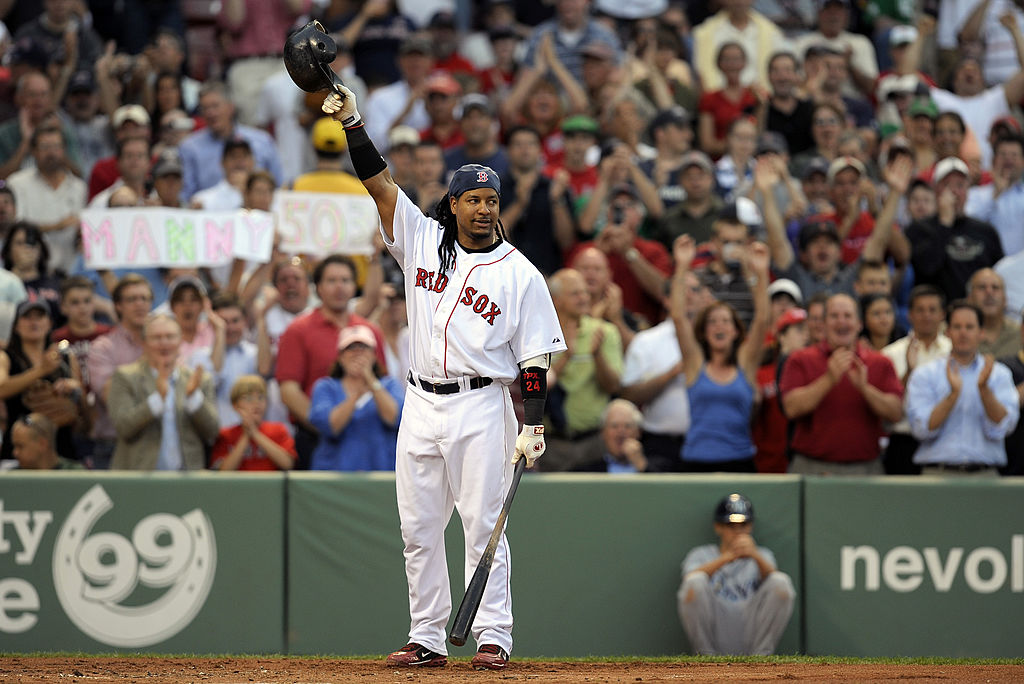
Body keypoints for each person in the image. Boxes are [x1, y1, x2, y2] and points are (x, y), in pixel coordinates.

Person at [322, 83, 566, 670]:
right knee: (418, 527)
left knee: (484, 527)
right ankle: (427, 636)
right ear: (452, 204)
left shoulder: (520, 273)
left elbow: (535, 359)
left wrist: (531, 424)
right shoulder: (423, 240)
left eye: (491, 200)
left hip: (482, 405)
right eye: (473, 199)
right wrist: (354, 121)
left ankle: (493, 637)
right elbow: (379, 184)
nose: (483, 208)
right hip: (419, 403)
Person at [275, 254, 386, 469]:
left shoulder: (371, 332)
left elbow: (384, 383)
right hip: (317, 438)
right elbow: (289, 390)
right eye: (332, 281)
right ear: (318, 288)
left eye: (345, 280)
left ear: (355, 287)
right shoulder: (298, 330)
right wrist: (325, 423)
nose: (339, 287)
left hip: (369, 440)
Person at [671, 234, 771, 472]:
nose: (719, 327)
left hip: (740, 461)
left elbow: (762, 319)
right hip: (696, 462)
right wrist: (682, 265)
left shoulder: (745, 364)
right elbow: (678, 317)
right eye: (713, 322)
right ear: (704, 333)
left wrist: (761, 272)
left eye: (726, 322)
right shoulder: (696, 364)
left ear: (736, 331)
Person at [780, 293, 904, 474]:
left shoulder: (880, 362)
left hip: (865, 469)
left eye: (847, 316)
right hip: (812, 466)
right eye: (834, 316)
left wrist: (865, 388)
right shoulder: (800, 359)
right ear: (823, 324)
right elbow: (791, 408)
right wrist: (829, 379)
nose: (841, 322)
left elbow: (895, 413)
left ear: (859, 324)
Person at [906, 301, 1019, 475]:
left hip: (985, 474)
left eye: (970, 327)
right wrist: (953, 395)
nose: (963, 333)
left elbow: (1005, 427)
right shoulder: (925, 374)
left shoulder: (998, 374)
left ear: (981, 332)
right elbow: (922, 430)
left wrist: (984, 390)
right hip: (937, 473)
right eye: (957, 327)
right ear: (947, 332)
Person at [676, 493, 796, 656]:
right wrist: (728, 557)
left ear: (751, 526)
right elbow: (688, 581)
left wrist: (754, 555)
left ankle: (760, 660)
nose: (738, 532)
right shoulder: (702, 554)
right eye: (731, 526)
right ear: (718, 527)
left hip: (751, 627)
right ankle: (706, 660)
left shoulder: (761, 554)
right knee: (695, 582)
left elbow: (776, 584)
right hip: (717, 625)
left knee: (781, 582)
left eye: (743, 525)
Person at [107, 312, 219, 471]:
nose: (164, 343)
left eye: (170, 336)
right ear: (144, 343)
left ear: (180, 341)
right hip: (139, 480)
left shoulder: (198, 379)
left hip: (187, 481)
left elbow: (212, 432)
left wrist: (194, 398)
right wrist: (157, 399)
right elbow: (124, 427)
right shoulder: (125, 377)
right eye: (157, 337)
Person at [546, 268, 623, 459]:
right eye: (575, 293)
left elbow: (613, 386)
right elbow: (532, 387)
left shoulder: (605, 331)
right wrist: (566, 357)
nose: (583, 298)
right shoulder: (539, 333)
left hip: (593, 441)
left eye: (585, 292)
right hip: (550, 443)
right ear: (556, 300)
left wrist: (597, 355)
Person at [907, 158, 1005, 301]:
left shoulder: (985, 231)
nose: (954, 192)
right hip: (935, 315)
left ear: (967, 190)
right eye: (947, 185)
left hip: (975, 315)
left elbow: (998, 276)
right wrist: (945, 223)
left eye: (960, 185)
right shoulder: (919, 229)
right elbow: (927, 269)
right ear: (936, 190)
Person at [0, 299, 85, 463]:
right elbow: (1, 389)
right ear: (16, 325)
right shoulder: (6, 357)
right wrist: (41, 371)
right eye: (27, 317)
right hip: (19, 446)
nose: (34, 323)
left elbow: (82, 404)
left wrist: (74, 388)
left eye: (39, 317)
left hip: (61, 443)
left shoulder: (66, 357)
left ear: (49, 323)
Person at [308, 325, 403, 471]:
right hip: (335, 477)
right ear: (340, 357)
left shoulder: (390, 385)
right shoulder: (325, 387)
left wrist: (370, 381)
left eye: (364, 347)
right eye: (350, 348)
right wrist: (357, 394)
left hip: (382, 474)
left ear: (373, 355)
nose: (357, 352)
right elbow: (331, 427)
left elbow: (394, 419)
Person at [880, 285, 951, 474]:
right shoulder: (889, 355)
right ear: (909, 314)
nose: (926, 315)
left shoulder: (956, 353)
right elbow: (887, 408)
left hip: (945, 442)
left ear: (942, 314)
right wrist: (909, 372)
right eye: (920, 310)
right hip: (903, 442)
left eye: (932, 310)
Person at [7, 126, 87, 277]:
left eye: (56, 147)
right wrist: (56, 226)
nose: (51, 153)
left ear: (64, 150)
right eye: (45, 147)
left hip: (70, 272)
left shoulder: (79, 187)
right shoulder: (17, 183)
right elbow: (15, 229)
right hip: (28, 273)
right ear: (34, 151)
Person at [209, 375, 296, 471]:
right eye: (248, 399)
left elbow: (287, 464)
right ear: (235, 405)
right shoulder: (226, 435)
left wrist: (255, 433)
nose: (256, 403)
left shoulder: (278, 429)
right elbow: (224, 471)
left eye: (261, 397)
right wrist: (246, 436)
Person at [568, 398, 652, 472]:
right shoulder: (586, 472)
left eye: (627, 426)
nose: (621, 432)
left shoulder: (658, 467)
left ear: (638, 432)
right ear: (603, 433)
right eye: (614, 426)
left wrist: (643, 466)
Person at [966, 268, 1022, 358]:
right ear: (969, 299)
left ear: (1005, 300)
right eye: (982, 287)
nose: (989, 292)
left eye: (995, 287)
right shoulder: (954, 334)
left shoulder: (1020, 333)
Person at [9, 412, 83, 470]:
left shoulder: (75, 475)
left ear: (42, 444)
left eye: (20, 446)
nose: (15, 453)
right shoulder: (12, 479)